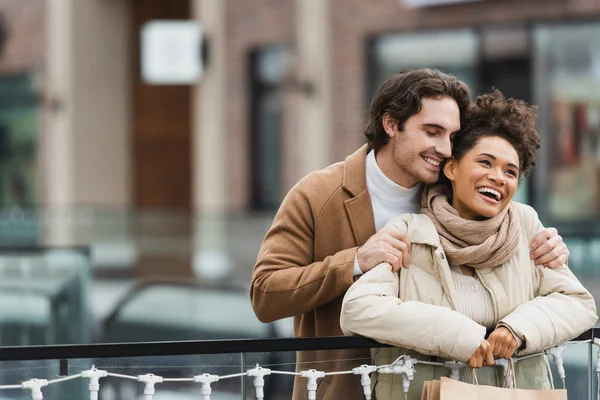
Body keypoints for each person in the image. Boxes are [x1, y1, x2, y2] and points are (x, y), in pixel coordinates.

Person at [250, 69, 569, 400]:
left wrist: (548, 246)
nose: (445, 149)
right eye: (432, 132)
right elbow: (265, 295)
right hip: (343, 389)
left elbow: (502, 236)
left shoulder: (452, 190)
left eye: (452, 136)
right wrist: (356, 261)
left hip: (436, 389)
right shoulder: (317, 194)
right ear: (390, 124)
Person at [339, 90, 597, 399]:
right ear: (451, 168)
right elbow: (357, 309)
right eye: (485, 163)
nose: (498, 177)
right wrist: (457, 335)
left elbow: (577, 303)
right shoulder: (410, 231)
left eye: (510, 171)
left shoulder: (526, 225)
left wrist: (518, 328)